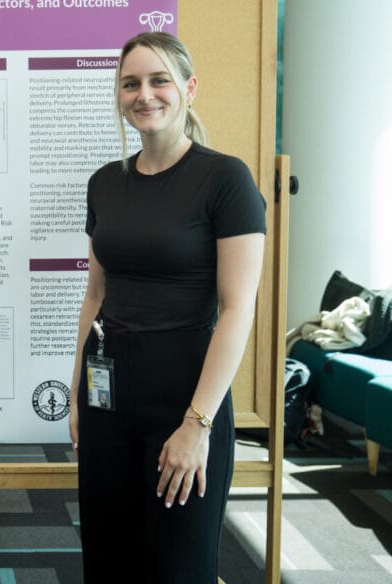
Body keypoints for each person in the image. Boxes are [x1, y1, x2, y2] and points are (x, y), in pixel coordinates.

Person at [68, 32, 266, 582]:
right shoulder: (105, 183)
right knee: (109, 562)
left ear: (188, 88)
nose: (144, 94)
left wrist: (197, 425)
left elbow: (237, 309)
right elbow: (96, 295)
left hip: (186, 398)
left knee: (179, 568)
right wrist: (77, 393)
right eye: (130, 83)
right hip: (108, 399)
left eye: (159, 81)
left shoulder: (225, 179)